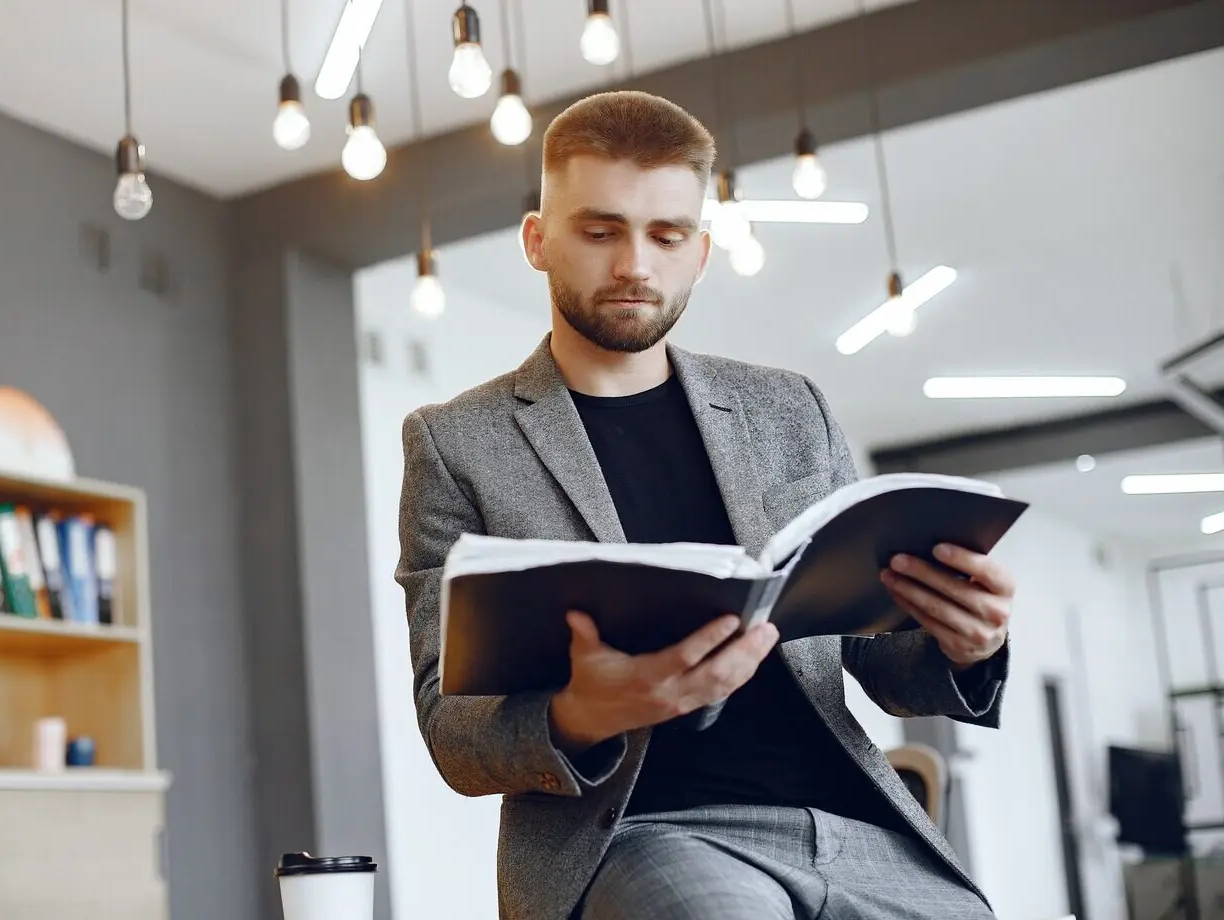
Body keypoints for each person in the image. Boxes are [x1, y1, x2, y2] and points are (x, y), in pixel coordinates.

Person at [394, 90, 1015, 920]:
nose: (634, 267)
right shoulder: (457, 443)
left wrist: (967, 645)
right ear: (538, 241)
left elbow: (878, 661)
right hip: (643, 835)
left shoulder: (791, 409)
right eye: (600, 230)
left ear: (701, 252)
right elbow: (453, 731)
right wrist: (587, 713)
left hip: (858, 827)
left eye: (666, 235)